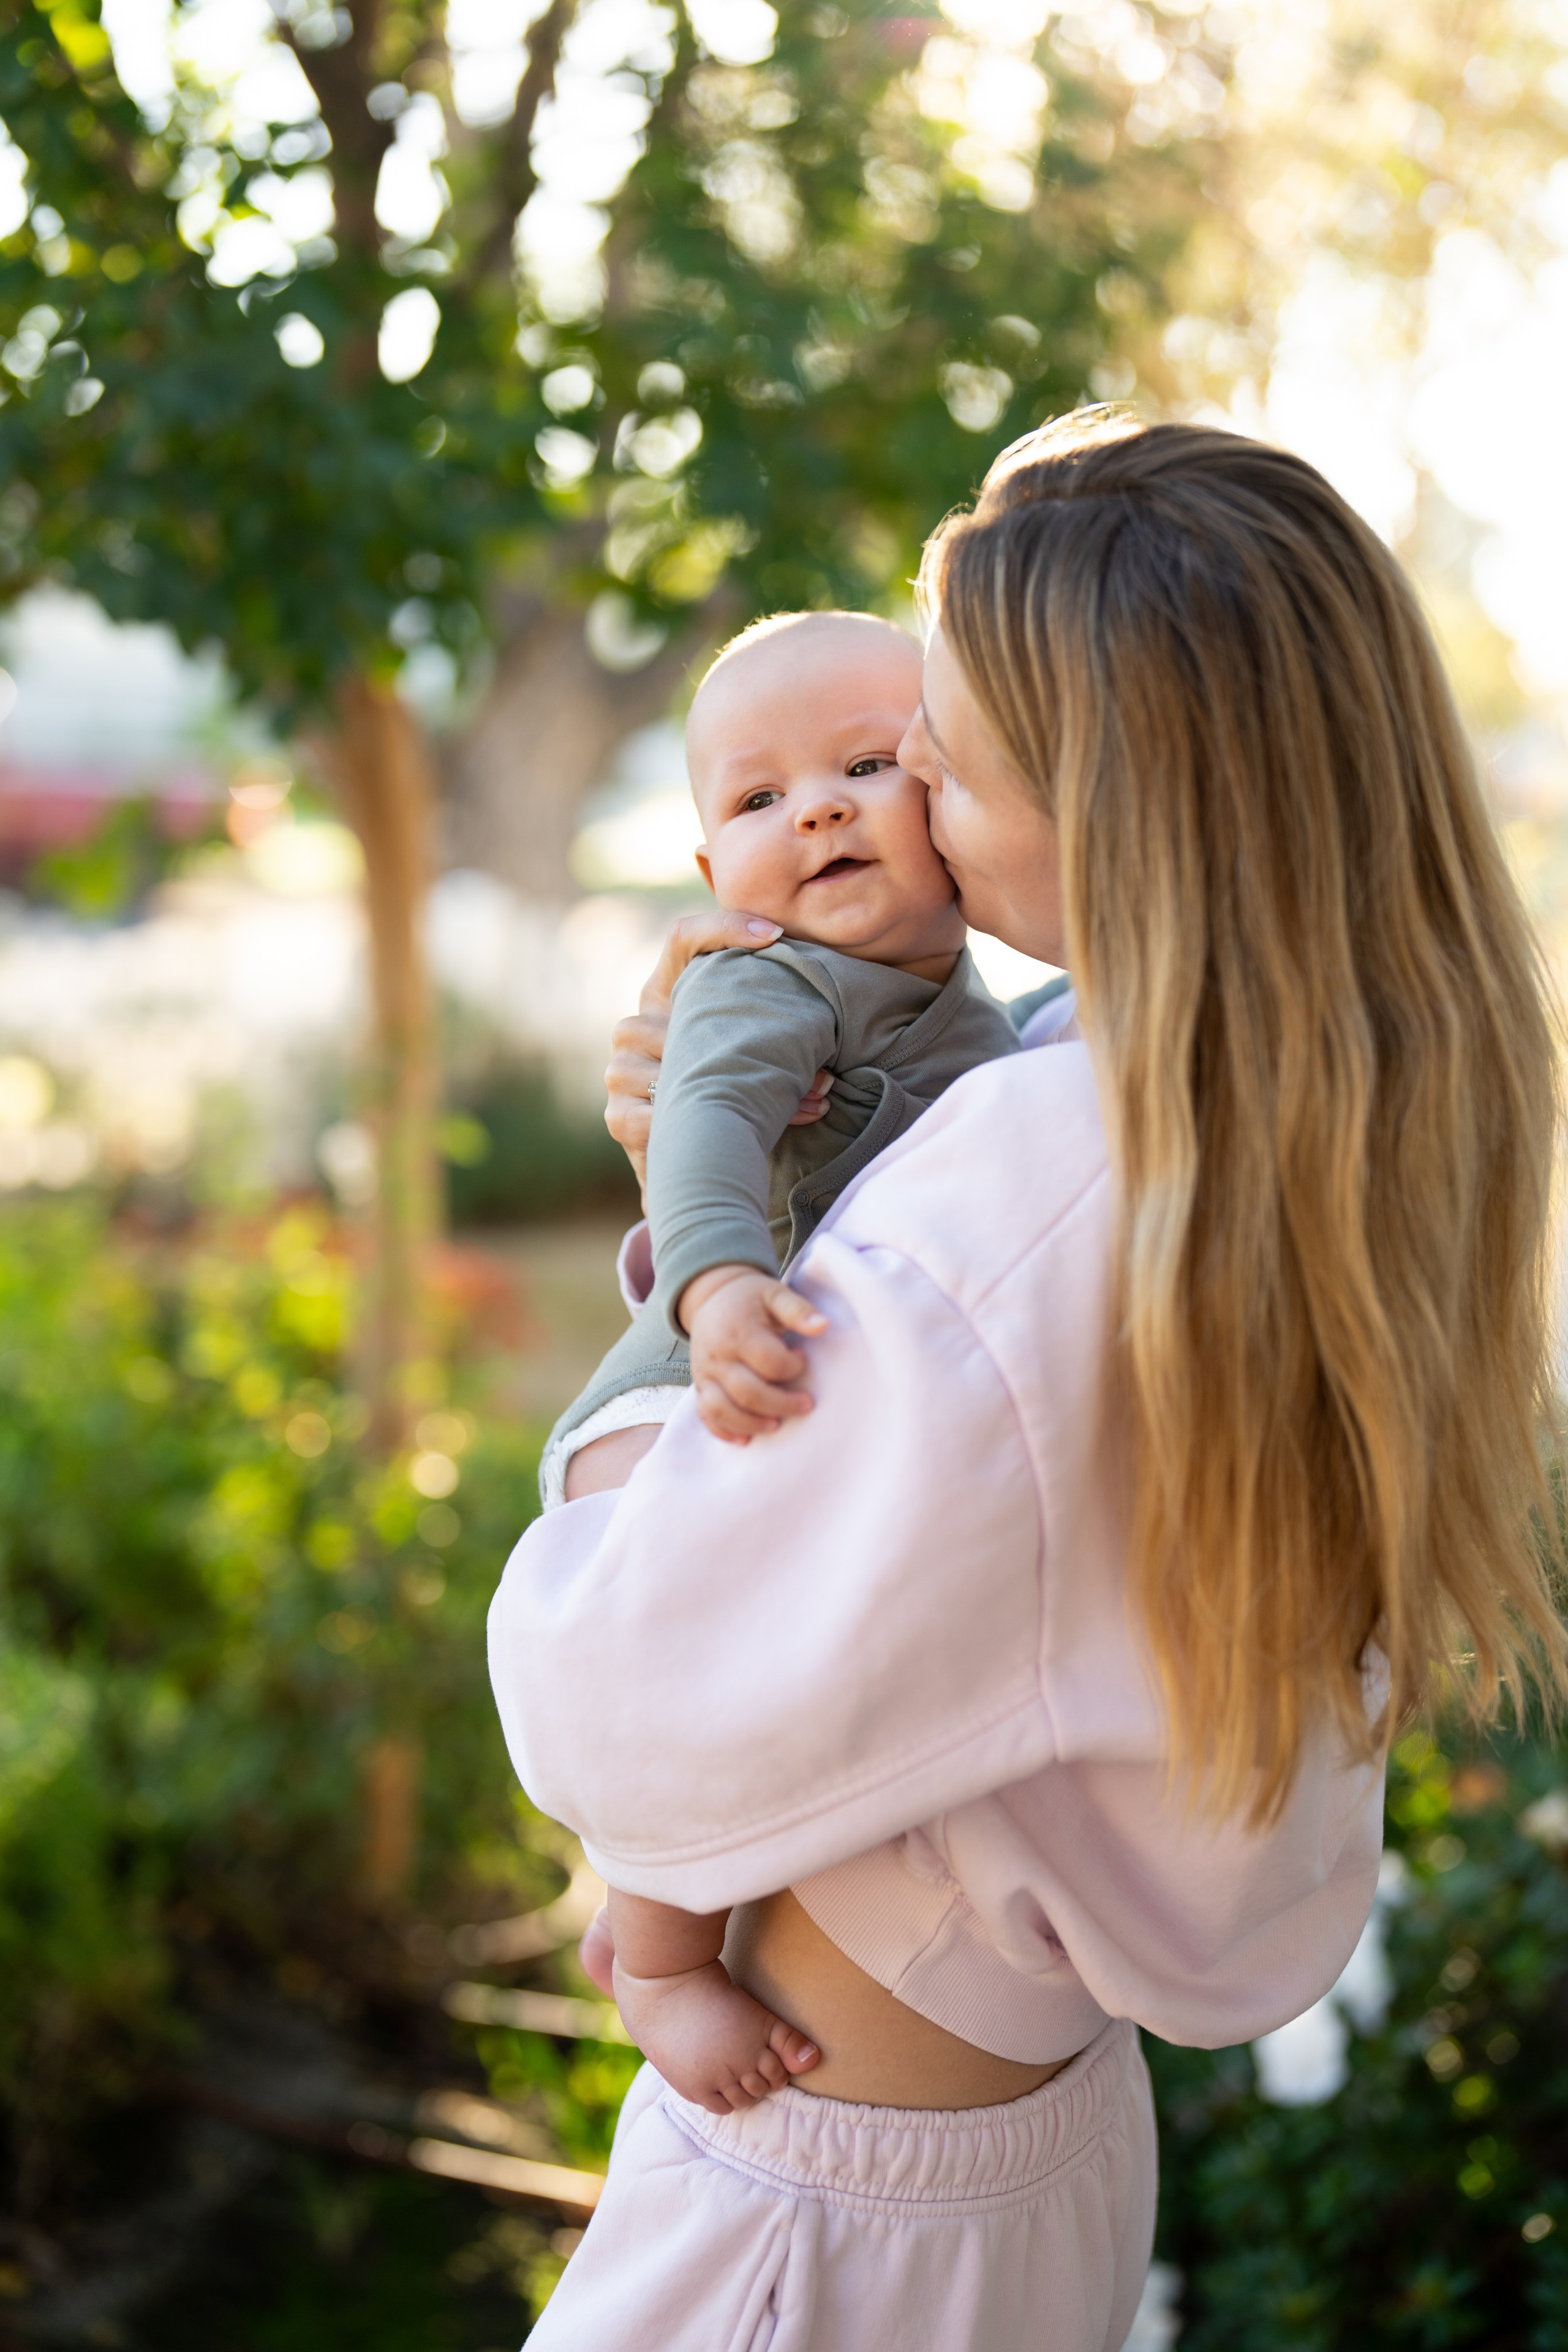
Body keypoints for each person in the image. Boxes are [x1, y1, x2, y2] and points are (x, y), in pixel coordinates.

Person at [488, 412, 1567, 2352]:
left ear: (1119, 811)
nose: (891, 815)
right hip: (1046, 2148)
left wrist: (674, 1329)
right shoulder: (1325, 1110)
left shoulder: (1031, 1189)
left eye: (935, 766)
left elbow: (605, 1694)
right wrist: (770, 1169)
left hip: (820, 2211)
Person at [540, 609, 1024, 2114]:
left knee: (727, 1682)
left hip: (760, 1372)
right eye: (754, 800)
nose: (811, 809)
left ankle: (655, 1903)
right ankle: (665, 1961)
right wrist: (714, 1282)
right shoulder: (770, 978)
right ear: (710, 880)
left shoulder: (968, 1002)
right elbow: (702, 1128)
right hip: (676, 1389)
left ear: (951, 794)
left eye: (865, 766)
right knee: (678, 1664)